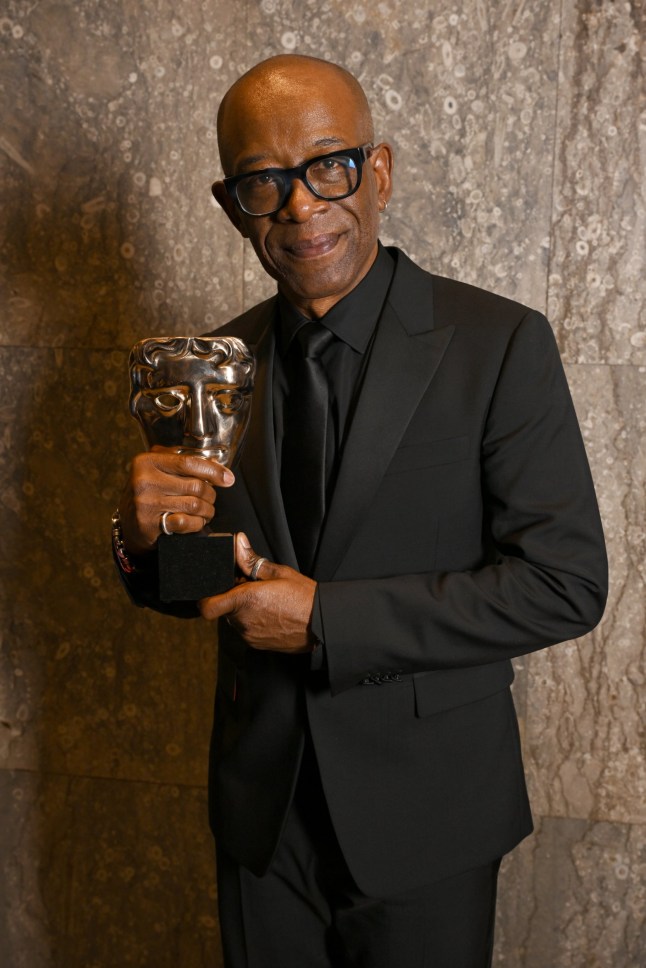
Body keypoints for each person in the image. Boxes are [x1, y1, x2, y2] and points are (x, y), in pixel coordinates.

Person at [114, 54, 608, 967]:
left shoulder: (499, 344)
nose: (300, 206)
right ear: (233, 205)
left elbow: (564, 586)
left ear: (377, 172)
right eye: (264, 182)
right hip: (262, 822)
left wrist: (325, 620)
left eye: (326, 166)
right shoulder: (216, 361)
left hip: (428, 822)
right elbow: (202, 585)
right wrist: (145, 543)